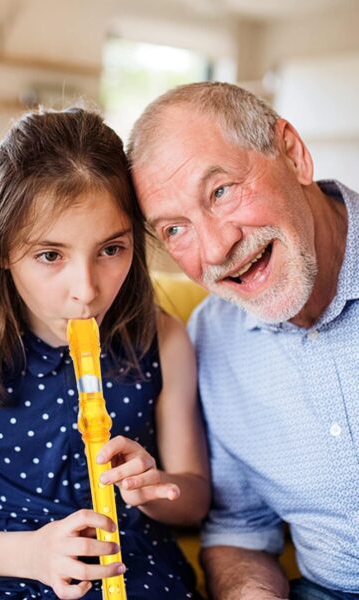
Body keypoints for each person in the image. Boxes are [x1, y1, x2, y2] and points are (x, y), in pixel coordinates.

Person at [0, 107, 210, 599]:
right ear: (2, 250)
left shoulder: (165, 340)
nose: (86, 289)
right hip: (6, 571)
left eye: (111, 249)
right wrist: (32, 554)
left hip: (134, 568)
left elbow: (195, 499)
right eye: (51, 255)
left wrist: (153, 488)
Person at [128, 80, 359, 599]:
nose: (216, 247)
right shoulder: (212, 336)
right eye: (175, 230)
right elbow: (240, 531)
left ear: (294, 155)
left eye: (221, 191)